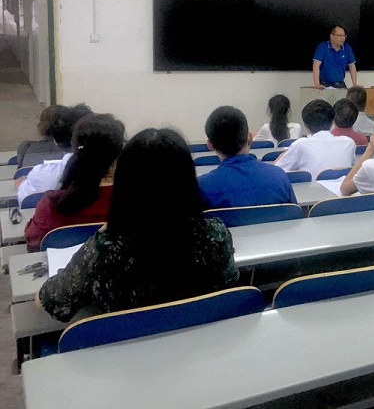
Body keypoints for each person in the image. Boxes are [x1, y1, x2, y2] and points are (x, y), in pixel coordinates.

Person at [37, 127, 239, 323]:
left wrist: (97, 239)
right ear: (188, 179)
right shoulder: (216, 235)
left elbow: (50, 302)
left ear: (124, 183)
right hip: (198, 339)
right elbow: (229, 284)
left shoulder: (105, 250)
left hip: (124, 344)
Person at [24, 114, 125, 252]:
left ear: (76, 149)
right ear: (120, 152)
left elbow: (33, 241)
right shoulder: (136, 202)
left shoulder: (53, 203)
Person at [198, 105, 296, 209]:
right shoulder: (279, 177)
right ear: (250, 138)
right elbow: (295, 214)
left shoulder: (202, 187)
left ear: (210, 145)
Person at [16, 103, 94, 205]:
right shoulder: (108, 171)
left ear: (55, 141)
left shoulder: (41, 173)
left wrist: (21, 185)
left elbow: (24, 201)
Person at [275, 99, 356, 179]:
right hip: (343, 187)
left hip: (311, 187)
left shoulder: (301, 144)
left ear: (306, 126)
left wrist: (284, 153)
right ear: (333, 122)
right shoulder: (349, 143)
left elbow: (275, 171)